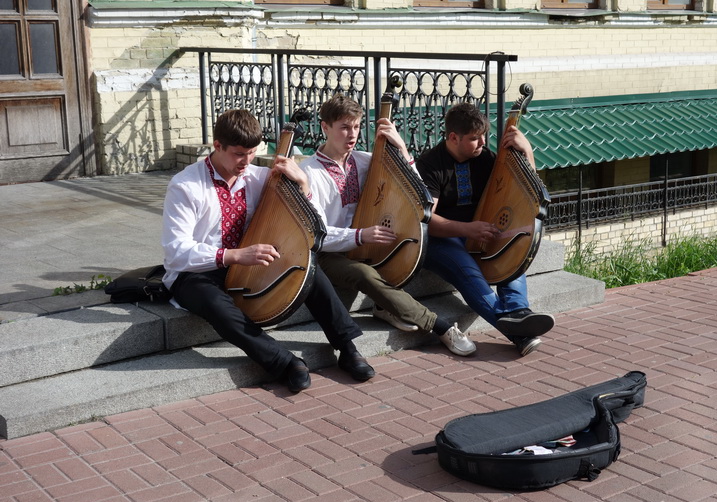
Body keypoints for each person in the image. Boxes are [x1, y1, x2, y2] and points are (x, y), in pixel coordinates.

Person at [162, 108, 375, 394]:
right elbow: (176, 252)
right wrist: (236, 255)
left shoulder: (258, 176)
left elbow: (313, 222)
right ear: (217, 146)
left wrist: (303, 185)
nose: (246, 162)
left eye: (252, 153)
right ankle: (284, 361)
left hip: (249, 263)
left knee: (306, 268)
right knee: (215, 304)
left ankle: (347, 347)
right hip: (197, 271)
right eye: (239, 154)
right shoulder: (186, 186)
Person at [299, 94, 476, 356]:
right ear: (325, 128)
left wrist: (402, 148)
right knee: (365, 274)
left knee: (410, 241)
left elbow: (418, 192)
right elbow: (318, 235)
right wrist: (360, 236)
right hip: (331, 253)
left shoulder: (364, 160)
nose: (352, 134)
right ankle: (441, 327)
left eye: (357, 126)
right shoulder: (307, 171)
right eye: (345, 127)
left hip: (369, 241)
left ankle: (385, 306)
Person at [415, 102, 555, 357]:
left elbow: (528, 190)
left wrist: (528, 152)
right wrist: (468, 229)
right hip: (440, 239)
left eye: (484, 136)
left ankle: (519, 311)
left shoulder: (485, 158)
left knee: (511, 253)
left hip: (478, 231)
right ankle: (519, 333)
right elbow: (426, 221)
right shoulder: (430, 165)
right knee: (469, 274)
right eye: (474, 138)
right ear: (453, 137)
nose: (481, 143)